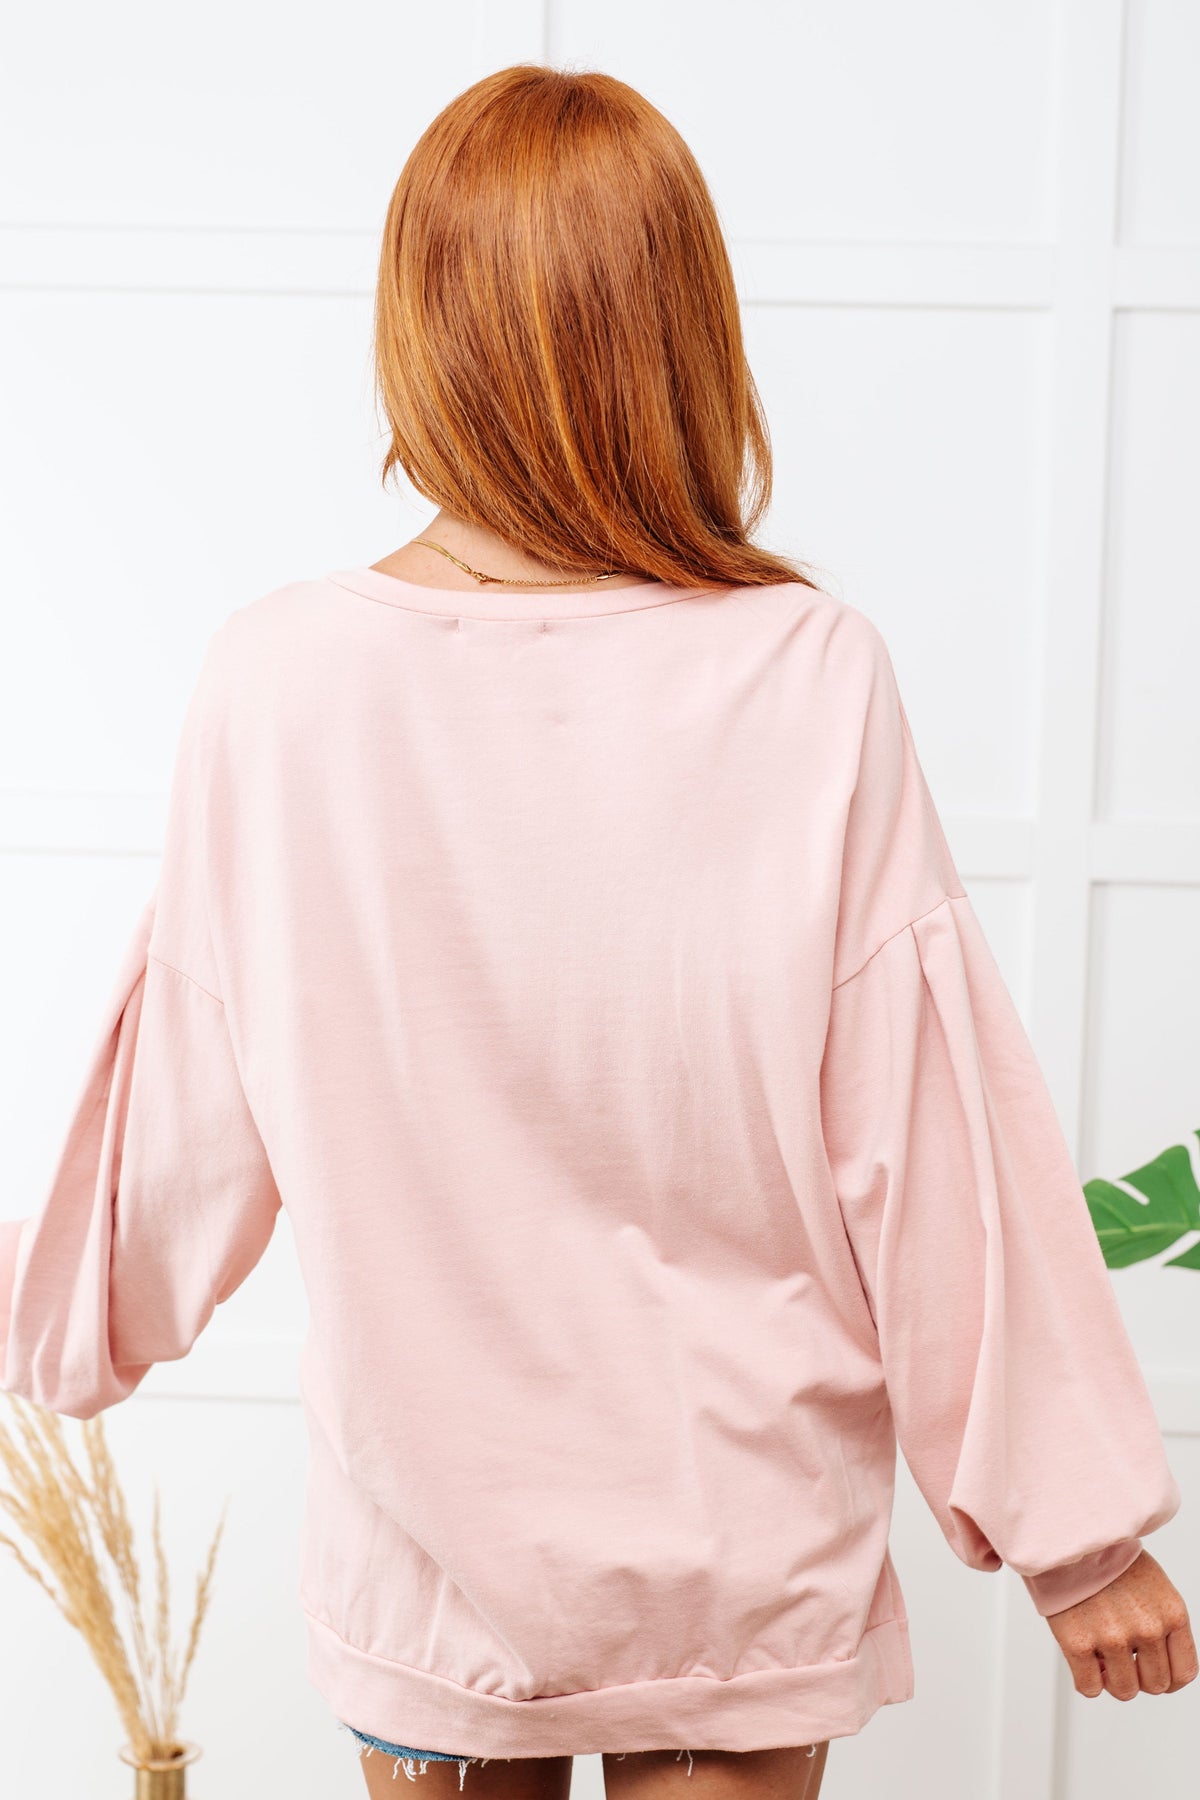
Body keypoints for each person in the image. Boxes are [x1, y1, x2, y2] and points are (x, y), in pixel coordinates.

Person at [1, 62, 1194, 1800]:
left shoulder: (281, 680)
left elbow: (178, 1120)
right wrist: (1079, 1537)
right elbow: (931, 1138)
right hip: (739, 1546)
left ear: (420, 324)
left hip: (433, 1556)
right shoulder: (805, 670)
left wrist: (56, 1324)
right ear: (684, 329)